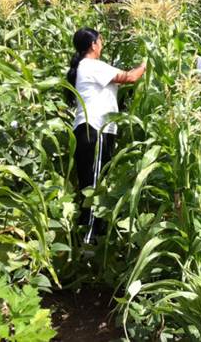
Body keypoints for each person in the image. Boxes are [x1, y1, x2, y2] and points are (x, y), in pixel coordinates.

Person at [67, 27, 147, 244]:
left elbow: (119, 82)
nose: (102, 44)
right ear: (93, 44)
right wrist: (146, 64)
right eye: (100, 40)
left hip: (88, 130)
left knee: (89, 182)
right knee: (95, 185)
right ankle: (89, 239)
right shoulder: (92, 65)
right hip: (96, 129)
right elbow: (129, 78)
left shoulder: (85, 67)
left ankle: (90, 236)